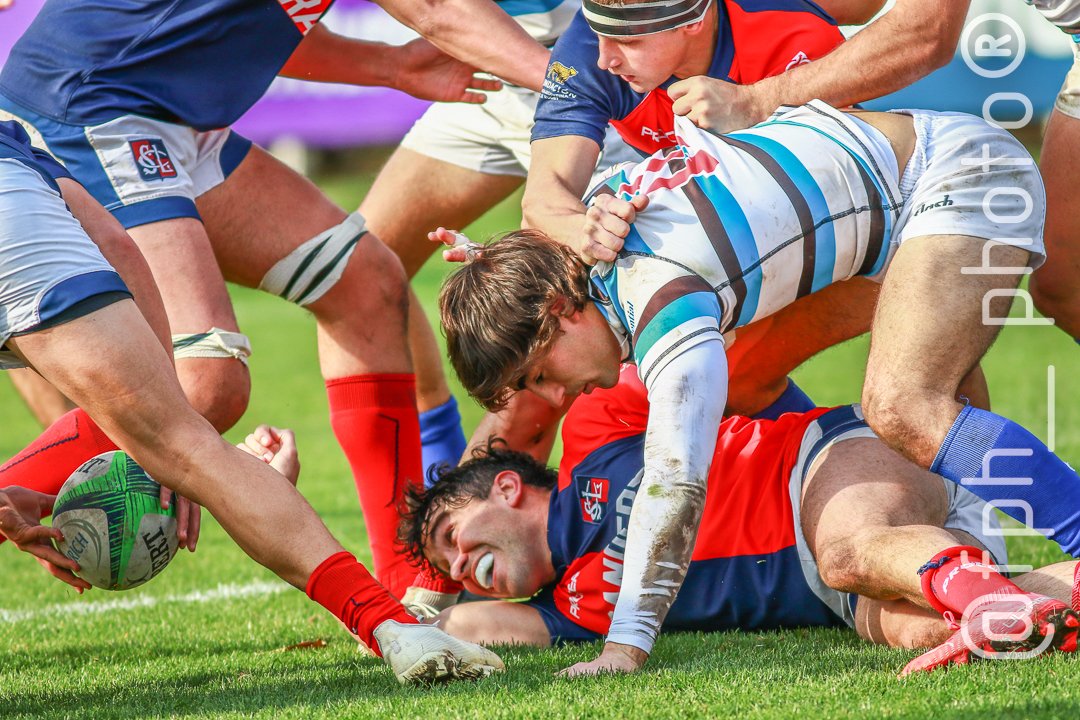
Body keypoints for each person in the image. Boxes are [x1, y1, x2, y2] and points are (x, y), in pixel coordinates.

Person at [438, 102, 1080, 674]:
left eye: (542, 375)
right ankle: (1018, 596)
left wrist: (625, 647)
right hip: (903, 221)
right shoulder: (606, 241)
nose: (552, 399)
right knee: (909, 614)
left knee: (903, 409)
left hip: (944, 176)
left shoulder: (659, 303)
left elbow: (675, 482)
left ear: (560, 308)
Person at [0, 0, 552, 599]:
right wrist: (585, 88)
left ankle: (408, 586)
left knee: (367, 283)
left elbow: (267, 21)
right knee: (204, 387)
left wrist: (390, 68)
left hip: (169, 112)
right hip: (94, 106)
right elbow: (437, 9)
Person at [0, 120, 502, 683]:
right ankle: (391, 623)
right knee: (192, 440)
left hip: (138, 138)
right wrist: (176, 429)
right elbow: (117, 244)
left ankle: (404, 604)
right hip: (19, 200)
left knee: (215, 394)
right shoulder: (18, 133)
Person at [393, 367, 1080, 675]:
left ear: (507, 486)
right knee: (923, 630)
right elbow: (440, 628)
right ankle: (1012, 598)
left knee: (848, 549)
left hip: (831, 467)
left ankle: (984, 597)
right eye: (450, 564)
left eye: (453, 535)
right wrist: (428, 591)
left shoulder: (598, 429)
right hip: (842, 597)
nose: (458, 565)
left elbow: (729, 355)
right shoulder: (566, 610)